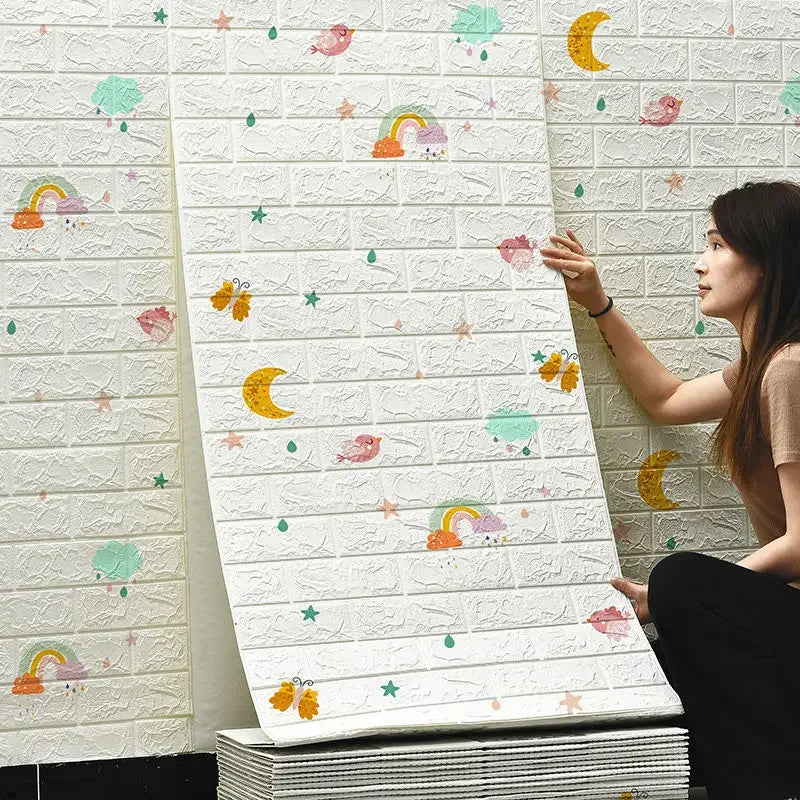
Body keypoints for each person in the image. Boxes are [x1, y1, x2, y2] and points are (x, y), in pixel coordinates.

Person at [538, 180, 800, 800]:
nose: (700, 264)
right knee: (659, 671)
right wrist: (598, 303)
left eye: (717, 245)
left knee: (681, 580)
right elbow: (667, 398)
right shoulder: (762, 367)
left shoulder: (789, 370)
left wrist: (673, 596)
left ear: (767, 262)